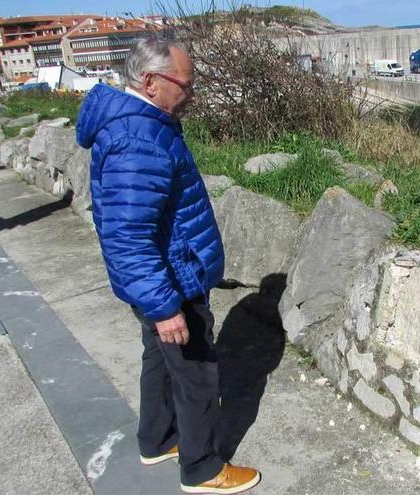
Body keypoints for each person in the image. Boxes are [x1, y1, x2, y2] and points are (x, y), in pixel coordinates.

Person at [75, 37, 262, 494]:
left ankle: (157, 439)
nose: (192, 94)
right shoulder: (137, 138)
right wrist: (164, 307)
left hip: (163, 273)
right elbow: (128, 235)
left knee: (159, 360)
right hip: (170, 279)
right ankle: (202, 468)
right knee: (197, 372)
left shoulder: (142, 124)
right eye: (186, 84)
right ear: (152, 81)